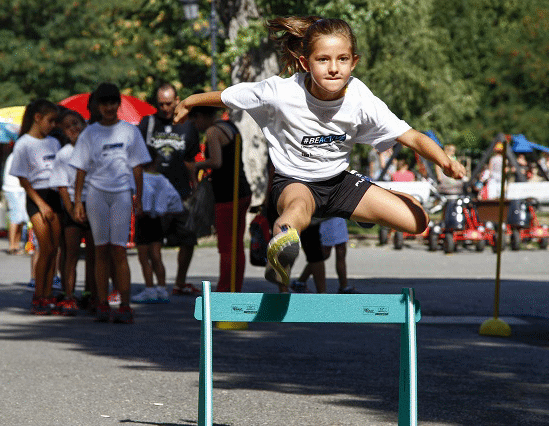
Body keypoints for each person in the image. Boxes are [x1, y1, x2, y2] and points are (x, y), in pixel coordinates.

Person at [174, 16, 465, 290]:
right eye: (323, 60)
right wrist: (190, 101)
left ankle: (377, 199)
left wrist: (444, 160)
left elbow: (412, 136)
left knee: (419, 222)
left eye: (342, 60)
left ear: (354, 62)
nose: (334, 68)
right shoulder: (281, 92)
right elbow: (229, 96)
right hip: (294, 182)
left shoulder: (361, 97)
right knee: (297, 211)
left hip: (339, 183)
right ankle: (282, 247)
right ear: (305, 62)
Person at [70, 82, 151, 323]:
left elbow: (137, 167)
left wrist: (138, 198)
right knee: (100, 249)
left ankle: (125, 304)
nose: (108, 107)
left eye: (112, 102)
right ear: (98, 105)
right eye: (104, 103)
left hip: (121, 194)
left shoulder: (129, 131)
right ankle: (102, 302)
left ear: (118, 104)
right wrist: (77, 202)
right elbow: (81, 170)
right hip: (96, 193)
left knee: (119, 250)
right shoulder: (90, 133)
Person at [138, 83, 201, 296]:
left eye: (168, 103)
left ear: (177, 100)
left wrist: (195, 184)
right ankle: (156, 285)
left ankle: (180, 282)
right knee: (152, 243)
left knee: (187, 238)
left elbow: (191, 159)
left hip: (181, 190)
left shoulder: (187, 126)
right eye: (161, 104)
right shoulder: (148, 123)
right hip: (153, 193)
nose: (165, 108)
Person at [189, 105, 253, 293]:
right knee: (237, 245)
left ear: (200, 116)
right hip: (242, 190)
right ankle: (235, 287)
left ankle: (226, 290)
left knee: (226, 247)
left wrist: (196, 165)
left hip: (228, 195)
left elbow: (216, 161)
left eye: (194, 121)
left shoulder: (213, 131)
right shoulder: (230, 126)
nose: (195, 126)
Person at [9, 99, 62, 314]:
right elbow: (23, 179)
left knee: (54, 250)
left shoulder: (54, 143)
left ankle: (48, 294)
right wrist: (41, 205)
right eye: (50, 120)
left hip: (55, 195)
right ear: (37, 118)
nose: (52, 125)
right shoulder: (24, 144)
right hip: (37, 196)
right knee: (45, 247)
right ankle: (39, 295)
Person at [49, 109, 94, 315]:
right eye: (68, 126)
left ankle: (91, 293)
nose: (74, 128)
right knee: (71, 253)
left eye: (77, 123)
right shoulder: (63, 154)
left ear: (84, 125)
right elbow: (62, 186)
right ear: (64, 132)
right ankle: (68, 295)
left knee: (95, 253)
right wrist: (72, 210)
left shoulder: (95, 150)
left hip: (94, 203)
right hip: (72, 206)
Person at [131, 146, 183, 303]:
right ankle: (161, 288)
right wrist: (166, 210)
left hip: (143, 218)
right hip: (157, 220)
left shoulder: (139, 178)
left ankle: (149, 289)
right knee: (156, 256)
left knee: (143, 257)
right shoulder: (162, 179)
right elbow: (175, 199)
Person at [291, 217, 354, 294]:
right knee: (322, 254)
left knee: (340, 251)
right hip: (325, 218)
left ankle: (344, 287)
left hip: (339, 216)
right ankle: (301, 283)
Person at [2, 147, 28, 255]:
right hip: (13, 188)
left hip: (19, 189)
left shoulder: (17, 156)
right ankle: (12, 246)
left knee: (21, 218)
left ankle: (16, 245)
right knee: (16, 217)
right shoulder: (16, 156)